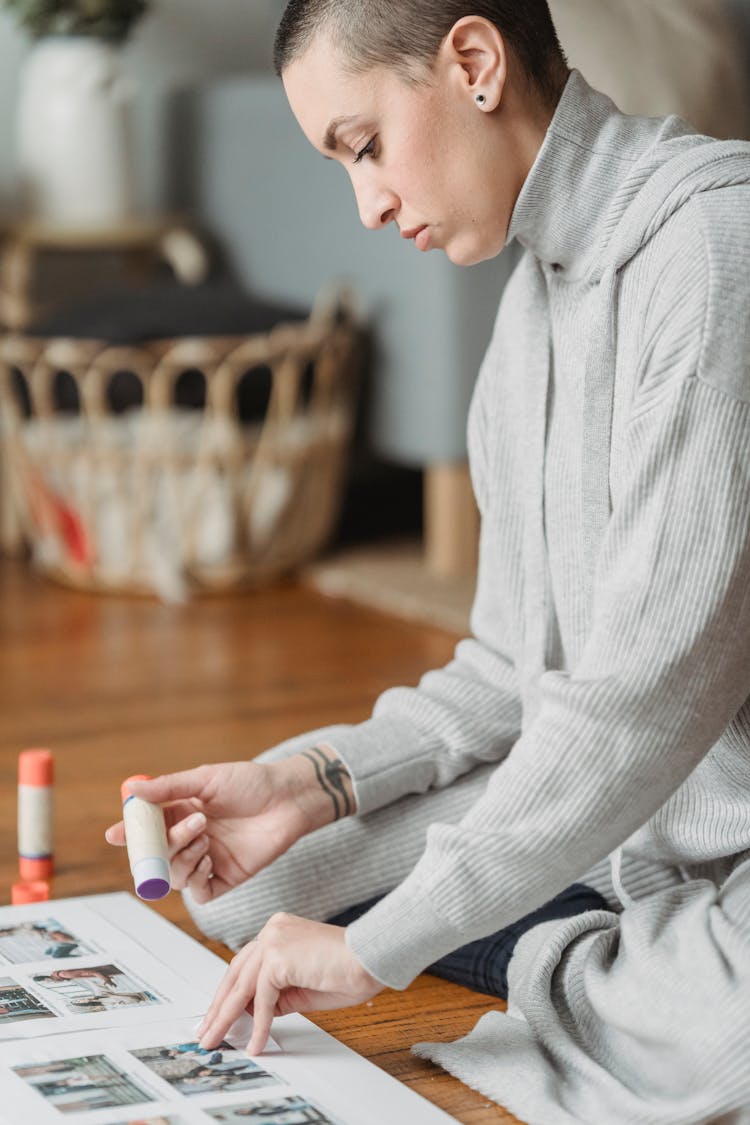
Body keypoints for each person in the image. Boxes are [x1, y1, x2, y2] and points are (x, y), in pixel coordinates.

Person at [106, 1, 750, 1121]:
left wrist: (384, 949)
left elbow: (642, 706)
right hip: (628, 812)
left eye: (365, 146)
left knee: (717, 1025)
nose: (369, 204)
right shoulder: (529, 310)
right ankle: (564, 924)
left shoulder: (713, 250)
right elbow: (506, 670)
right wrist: (302, 787)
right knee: (254, 885)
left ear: (473, 62)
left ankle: (553, 953)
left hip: (713, 821)